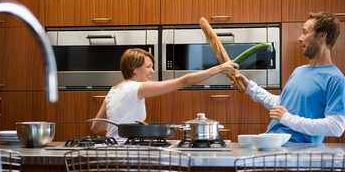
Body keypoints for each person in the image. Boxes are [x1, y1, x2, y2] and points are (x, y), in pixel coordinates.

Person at [234, 12, 345, 143]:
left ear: (322, 36)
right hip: (273, 143)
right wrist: (250, 87)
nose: (300, 38)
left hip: (299, 151)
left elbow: (336, 127)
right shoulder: (299, 71)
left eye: (305, 32)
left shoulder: (336, 80)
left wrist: (286, 118)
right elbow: (284, 104)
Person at [91, 48, 238, 140]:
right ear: (134, 69)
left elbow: (96, 128)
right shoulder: (135, 88)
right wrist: (219, 68)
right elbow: (183, 82)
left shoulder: (114, 90)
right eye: (148, 66)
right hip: (126, 151)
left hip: (110, 149)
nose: (152, 71)